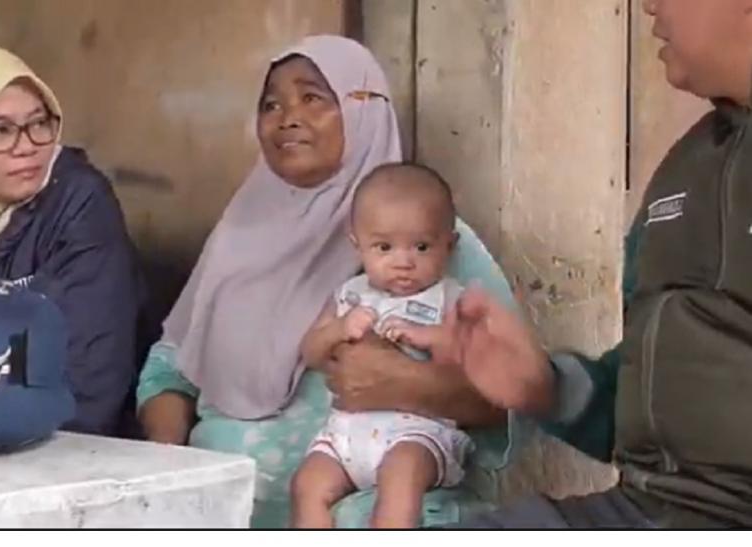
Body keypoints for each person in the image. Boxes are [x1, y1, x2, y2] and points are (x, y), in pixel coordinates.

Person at [137, 35, 520, 528]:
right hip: (221, 515)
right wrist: (172, 471)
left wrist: (409, 383)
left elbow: (511, 397)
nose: (287, 117)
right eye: (270, 104)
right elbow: (171, 366)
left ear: (366, 110)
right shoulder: (241, 232)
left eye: (313, 97)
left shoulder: (426, 241)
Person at [447, 0, 752, 528]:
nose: (651, 7)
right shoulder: (686, 167)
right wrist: (547, 388)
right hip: (646, 513)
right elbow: (653, 404)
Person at [0, 44, 146, 437]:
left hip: (69, 450)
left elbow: (89, 382)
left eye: (39, 123)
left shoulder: (77, 201)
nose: (27, 145)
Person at [293, 163, 480, 528]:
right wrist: (339, 329)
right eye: (384, 247)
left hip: (418, 433)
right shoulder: (350, 294)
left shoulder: (451, 298)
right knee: (306, 485)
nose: (403, 262)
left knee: (402, 478)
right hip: (346, 434)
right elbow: (311, 351)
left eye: (422, 247)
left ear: (450, 244)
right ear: (357, 246)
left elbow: (472, 357)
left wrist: (427, 336)